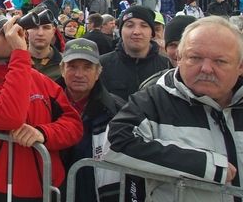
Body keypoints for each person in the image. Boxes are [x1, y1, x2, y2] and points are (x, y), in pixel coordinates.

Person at [104, 16, 243, 201]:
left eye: (220, 61)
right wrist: (205, 166)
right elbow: (115, 144)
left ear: (240, 66)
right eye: (195, 58)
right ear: (179, 57)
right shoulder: (153, 99)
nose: (207, 69)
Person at [0, 11, 83, 200]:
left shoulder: (35, 77)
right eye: (3, 33)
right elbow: (11, 116)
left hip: (51, 187)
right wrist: (20, 54)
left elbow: (74, 125)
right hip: (3, 192)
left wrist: (43, 133)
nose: (15, 34)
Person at [57, 39, 126, 202]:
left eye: (87, 67)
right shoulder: (46, 103)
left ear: (98, 72)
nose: (79, 74)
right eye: (72, 66)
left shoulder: (116, 110)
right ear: (62, 69)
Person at [99, 5, 168, 101]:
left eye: (144, 26)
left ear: (151, 33)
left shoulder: (167, 67)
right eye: (130, 25)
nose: (136, 32)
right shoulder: (101, 66)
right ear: (121, 31)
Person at [26, 6, 63, 81]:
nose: (40, 33)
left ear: (53, 32)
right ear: (25, 30)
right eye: (35, 27)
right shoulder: (12, 61)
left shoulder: (65, 63)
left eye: (46, 28)